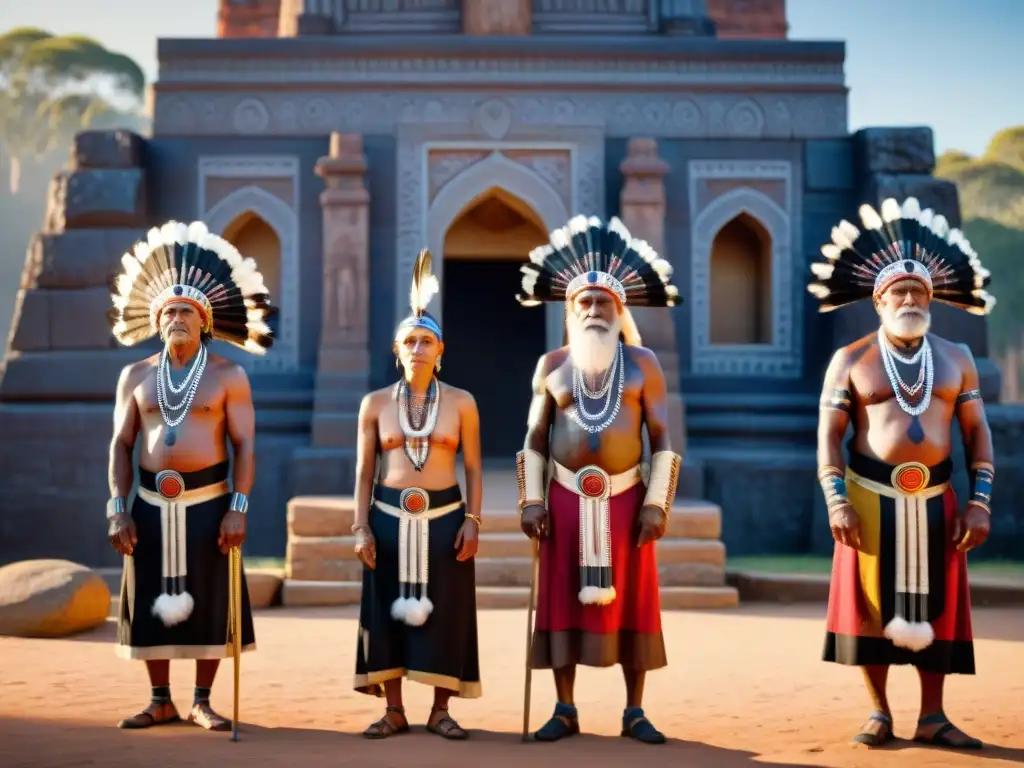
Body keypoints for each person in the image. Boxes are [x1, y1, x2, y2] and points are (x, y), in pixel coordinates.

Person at [808, 196, 997, 749]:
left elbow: (977, 433)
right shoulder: (850, 358)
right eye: (899, 291)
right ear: (878, 298)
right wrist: (836, 500)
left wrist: (980, 500)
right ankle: (879, 712)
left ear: (933, 296)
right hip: (868, 495)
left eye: (919, 290)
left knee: (937, 607)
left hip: (938, 496)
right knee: (871, 607)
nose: (910, 298)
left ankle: (933, 716)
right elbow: (827, 437)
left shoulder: (957, 356)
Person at [514, 215, 683, 744]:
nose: (592, 310)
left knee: (634, 601)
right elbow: (534, 439)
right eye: (582, 303)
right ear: (569, 310)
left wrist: (657, 504)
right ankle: (565, 708)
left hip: (627, 501)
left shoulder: (644, 365)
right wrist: (530, 501)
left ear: (619, 310)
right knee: (561, 600)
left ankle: (635, 711)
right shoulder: (552, 365)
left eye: (602, 303)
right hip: (563, 499)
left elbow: (664, 439)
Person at [106, 220, 276, 731]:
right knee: (150, 598)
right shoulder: (135, 376)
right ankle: (160, 699)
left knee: (211, 597)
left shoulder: (229, 375)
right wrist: (117, 508)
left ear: (204, 320)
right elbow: (121, 444)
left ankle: (202, 699)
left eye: (187, 311)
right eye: (170, 311)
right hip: (149, 503)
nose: (177, 317)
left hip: (209, 501)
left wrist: (237, 509)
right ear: (157, 320)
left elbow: (245, 445)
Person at [351, 249, 483, 740]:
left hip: (446, 516)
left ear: (441, 350)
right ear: (396, 349)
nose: (418, 348)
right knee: (385, 608)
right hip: (387, 514)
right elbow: (365, 469)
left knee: (447, 612)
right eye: (409, 341)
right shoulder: (375, 404)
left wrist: (474, 520)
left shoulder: (463, 403)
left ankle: (440, 710)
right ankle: (393, 710)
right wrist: (360, 525)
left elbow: (472, 467)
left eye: (427, 341)